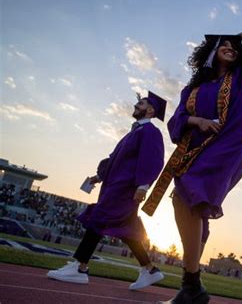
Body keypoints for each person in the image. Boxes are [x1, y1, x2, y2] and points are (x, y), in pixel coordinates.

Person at [142, 31, 242, 303]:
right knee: (184, 204)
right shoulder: (191, 91)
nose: (229, 49)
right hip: (197, 150)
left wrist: (239, 36)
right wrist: (198, 121)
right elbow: (177, 122)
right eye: (223, 46)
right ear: (211, 53)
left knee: (189, 192)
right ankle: (192, 287)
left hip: (229, 146)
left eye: (233, 47)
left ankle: (191, 286)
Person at [47, 91, 166, 291]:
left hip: (125, 187)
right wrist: (98, 176)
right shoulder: (134, 132)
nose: (137, 105)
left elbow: (153, 159)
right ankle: (149, 269)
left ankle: (80, 267)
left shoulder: (150, 132)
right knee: (127, 228)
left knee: (99, 218)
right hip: (114, 185)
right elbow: (115, 159)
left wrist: (143, 185)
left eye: (142, 103)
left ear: (151, 110)